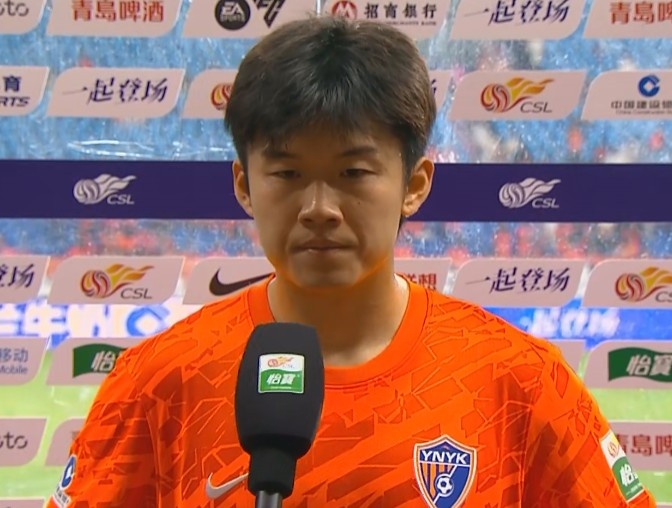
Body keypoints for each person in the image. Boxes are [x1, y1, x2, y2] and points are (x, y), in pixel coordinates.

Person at [48, 15, 656, 508]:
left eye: (353, 173)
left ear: (414, 184)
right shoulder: (158, 382)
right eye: (287, 174)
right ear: (243, 185)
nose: (319, 208)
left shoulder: (521, 382)